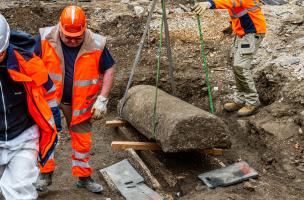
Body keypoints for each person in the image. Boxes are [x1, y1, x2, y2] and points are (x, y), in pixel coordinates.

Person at [35, 5, 115, 193]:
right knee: (47, 135)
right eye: (67, 37)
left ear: (84, 28)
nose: (72, 41)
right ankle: (45, 174)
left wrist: (102, 99)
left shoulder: (97, 43)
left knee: (82, 139)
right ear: (60, 27)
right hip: (50, 100)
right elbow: (29, 62)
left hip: (81, 103)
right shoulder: (44, 38)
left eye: (77, 37)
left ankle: (83, 177)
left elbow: (109, 69)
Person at [0, 14, 58, 200]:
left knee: (20, 192)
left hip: (23, 137)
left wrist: (54, 124)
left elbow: (49, 96)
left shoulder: (29, 64)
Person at [194, 0, 267, 116]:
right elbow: (240, 12)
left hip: (252, 33)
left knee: (241, 67)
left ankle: (253, 102)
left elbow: (230, 2)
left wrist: (209, 4)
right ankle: (240, 100)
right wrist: (232, 26)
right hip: (243, 33)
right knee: (238, 67)